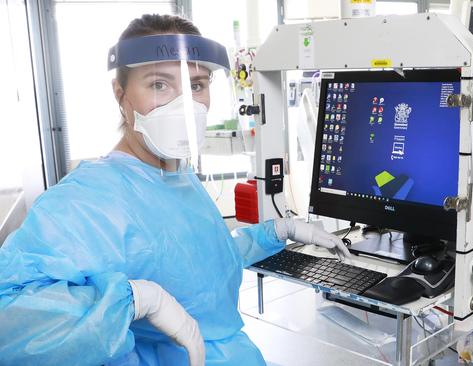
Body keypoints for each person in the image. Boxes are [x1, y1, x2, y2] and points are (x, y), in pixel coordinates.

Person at [0, 14, 350, 366]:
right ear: (120, 94)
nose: (185, 105)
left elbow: (196, 264)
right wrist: (136, 299)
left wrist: (279, 230)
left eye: (197, 85)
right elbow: (10, 319)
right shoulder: (88, 199)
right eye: (158, 85)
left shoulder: (175, 174)